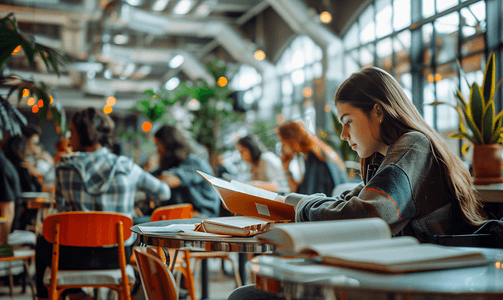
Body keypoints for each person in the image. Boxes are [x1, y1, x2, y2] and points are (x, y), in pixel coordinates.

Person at [228, 67, 487, 300]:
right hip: (393, 276)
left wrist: (300, 206)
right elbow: (349, 203)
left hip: (421, 285)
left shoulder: (413, 145)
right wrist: (294, 203)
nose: (343, 134)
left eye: (347, 121)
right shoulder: (385, 157)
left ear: (378, 111)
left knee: (248, 297)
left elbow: (369, 213)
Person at [35, 107, 172, 300]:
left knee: (42, 241)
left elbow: (59, 208)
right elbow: (164, 192)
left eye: (72, 132)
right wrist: (131, 191)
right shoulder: (126, 167)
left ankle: (68, 295)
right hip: (116, 257)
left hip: (72, 257)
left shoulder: (63, 168)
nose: (69, 137)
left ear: (84, 134)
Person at [152, 125, 220, 218]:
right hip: (184, 213)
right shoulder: (173, 165)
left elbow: (169, 181)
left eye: (158, 144)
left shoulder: (194, 162)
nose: (157, 150)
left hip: (203, 215)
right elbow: (153, 176)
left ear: (169, 144)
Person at [277, 121, 347, 196]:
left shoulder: (314, 158)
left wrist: (286, 170)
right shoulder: (318, 151)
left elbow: (304, 196)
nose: (282, 148)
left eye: (283, 142)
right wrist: (286, 168)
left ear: (290, 140)